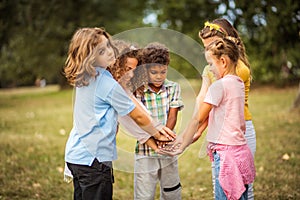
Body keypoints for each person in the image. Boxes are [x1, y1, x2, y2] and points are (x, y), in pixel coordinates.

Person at [63, 28, 176, 200]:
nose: (109, 52)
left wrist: (157, 134)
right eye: (101, 51)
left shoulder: (86, 77)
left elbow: (133, 105)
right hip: (94, 160)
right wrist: (159, 135)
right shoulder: (107, 84)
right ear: (90, 57)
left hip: (77, 156)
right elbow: (136, 115)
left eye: (108, 45)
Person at [160, 37, 256, 200]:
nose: (209, 69)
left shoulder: (219, 86)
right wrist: (184, 138)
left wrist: (181, 146)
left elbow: (197, 119)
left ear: (223, 61)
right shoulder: (239, 83)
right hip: (240, 153)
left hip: (226, 157)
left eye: (211, 64)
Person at [194, 18, 257, 199]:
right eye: (205, 47)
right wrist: (198, 128)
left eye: (212, 45)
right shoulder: (212, 69)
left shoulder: (238, 69)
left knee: (244, 186)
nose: (209, 51)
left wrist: (197, 126)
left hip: (240, 130)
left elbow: (215, 100)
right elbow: (203, 99)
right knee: (220, 182)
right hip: (220, 133)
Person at [133, 42, 184, 200]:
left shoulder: (173, 87)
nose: (159, 76)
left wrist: (165, 137)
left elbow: (172, 115)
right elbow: (138, 119)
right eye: (154, 72)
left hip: (168, 147)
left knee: (171, 190)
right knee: (144, 193)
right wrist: (155, 136)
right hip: (145, 150)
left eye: (163, 72)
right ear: (145, 69)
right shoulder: (139, 91)